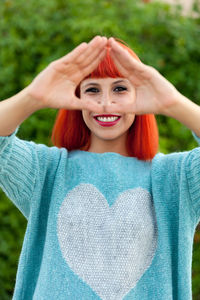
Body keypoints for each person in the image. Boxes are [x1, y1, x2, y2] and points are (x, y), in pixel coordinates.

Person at [0, 35, 200, 300]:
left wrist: (173, 103)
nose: (106, 103)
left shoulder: (176, 178)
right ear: (77, 98)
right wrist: (33, 97)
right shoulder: (47, 171)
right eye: (92, 89)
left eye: (120, 89)